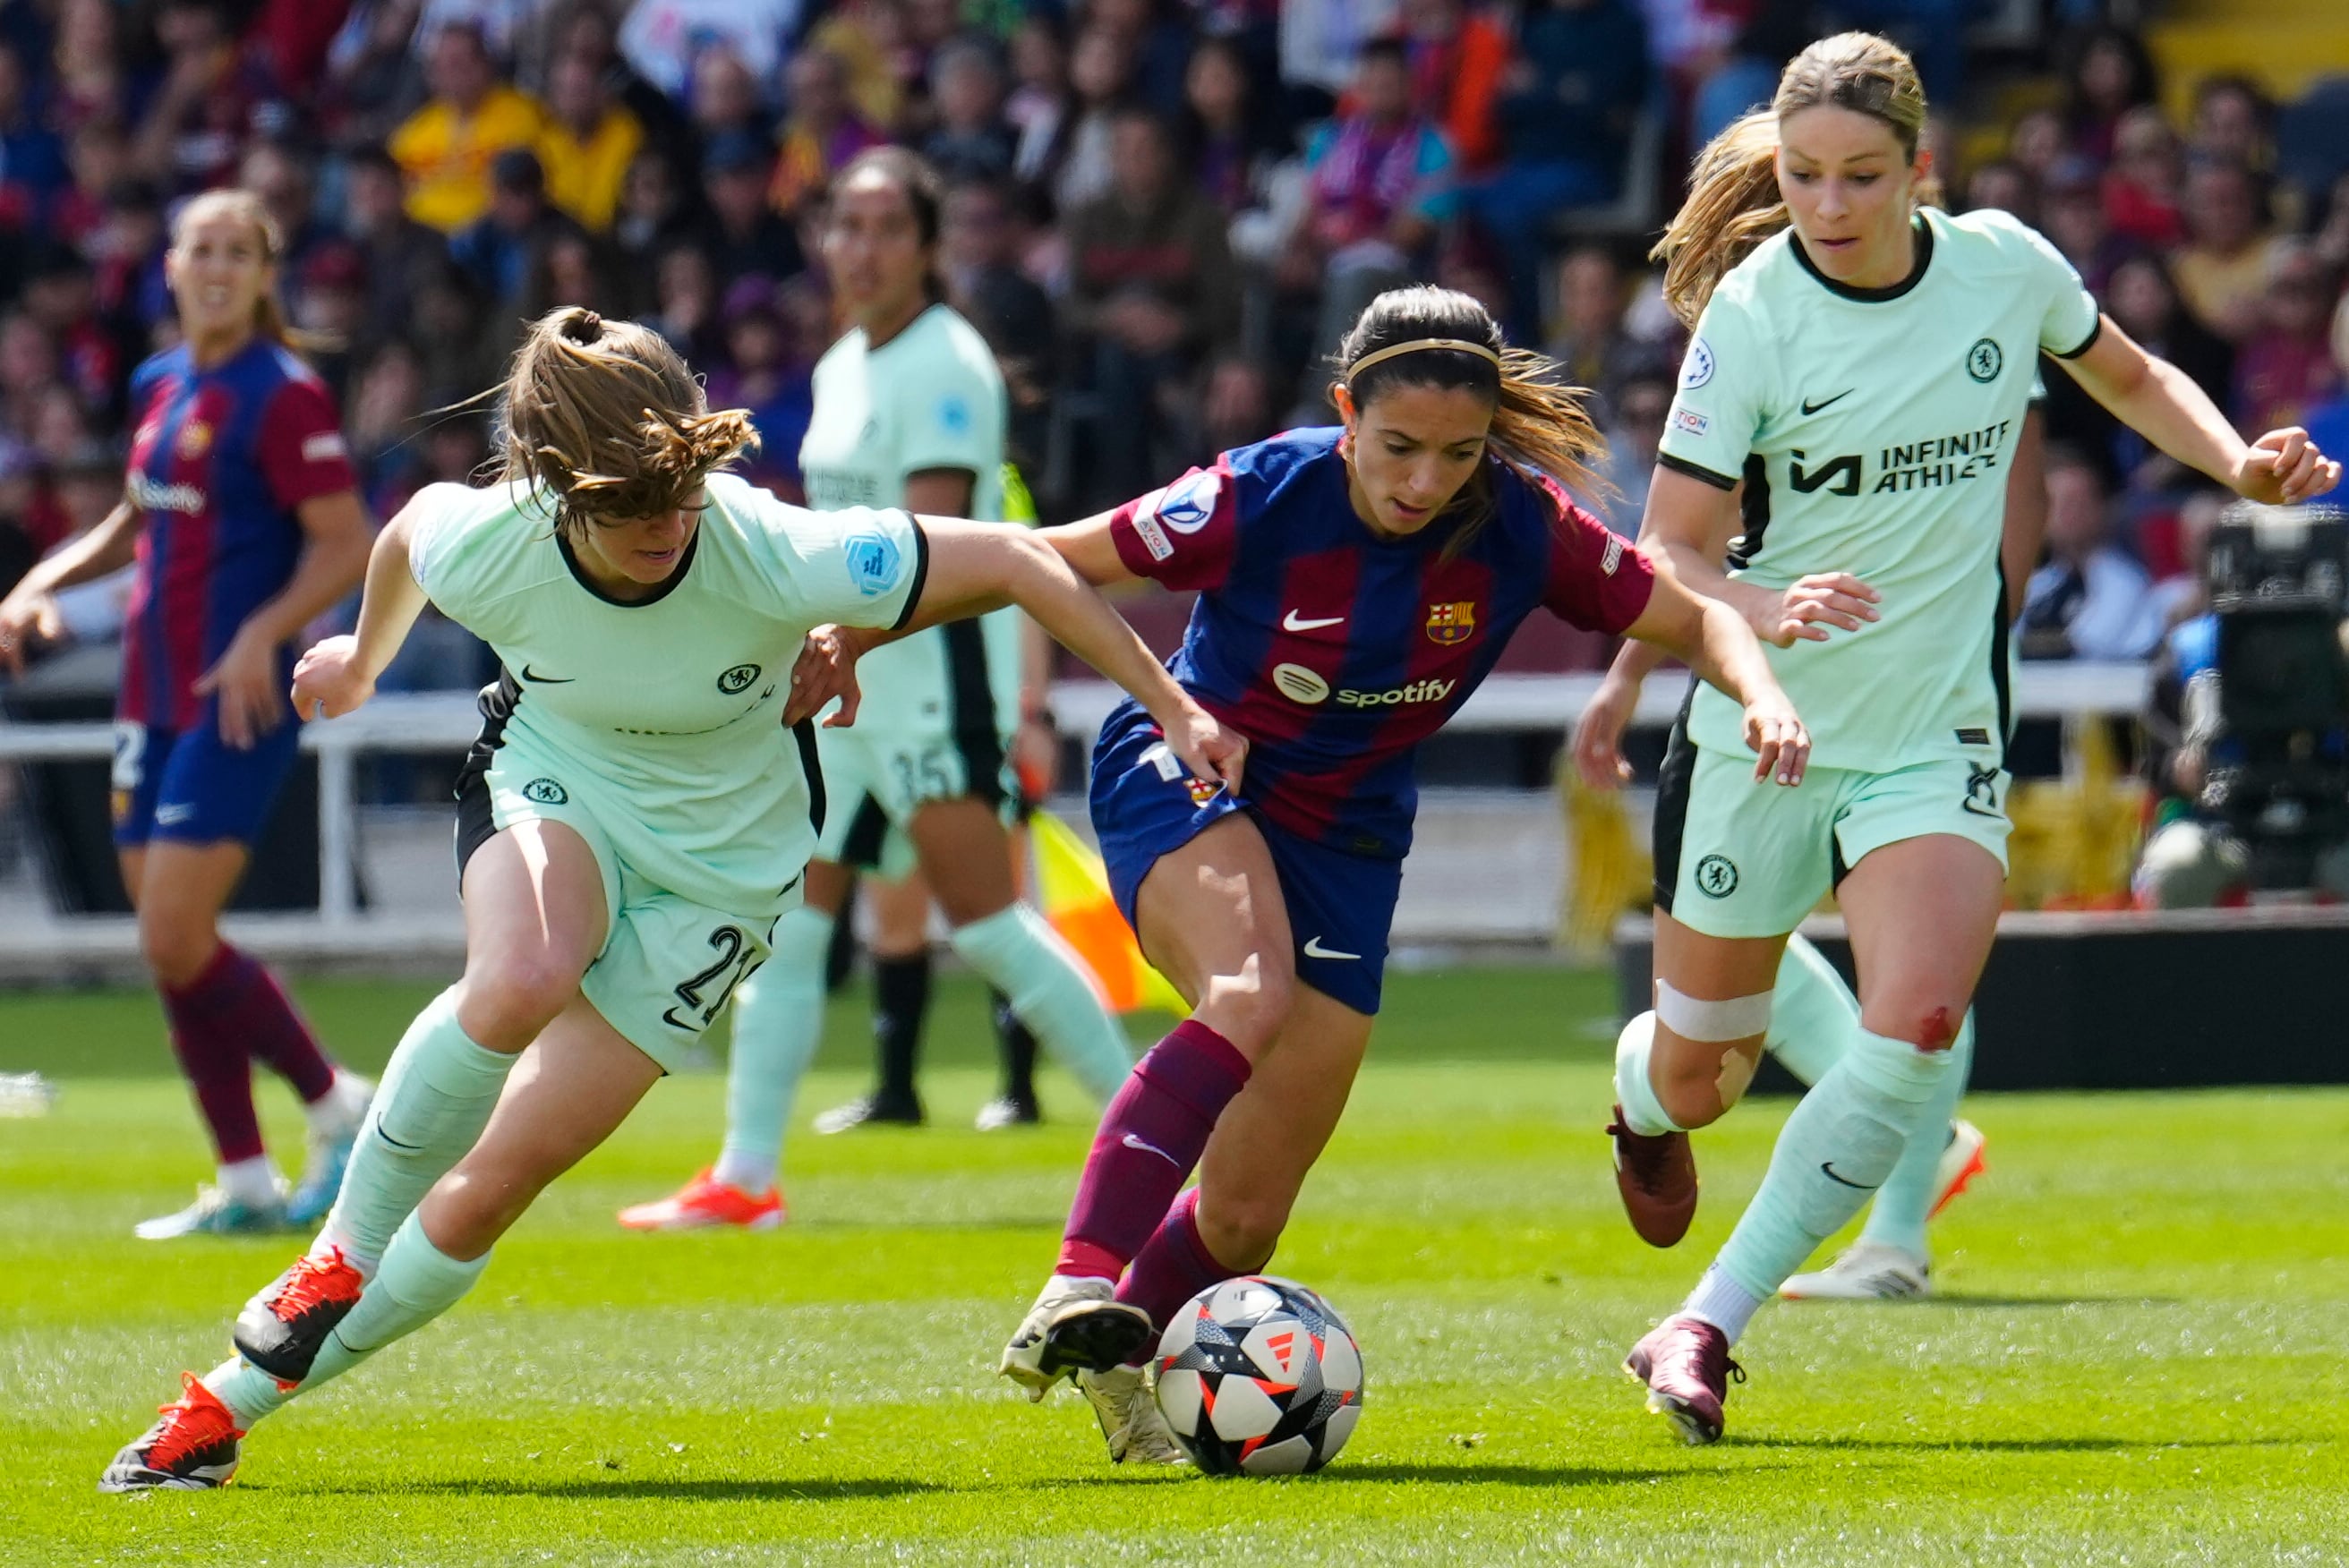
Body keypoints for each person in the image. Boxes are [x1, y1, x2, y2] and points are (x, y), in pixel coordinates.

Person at [95, 303, 1244, 1492]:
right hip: (557, 782)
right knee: (526, 971)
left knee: (491, 1188)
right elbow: (404, 538)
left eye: (679, 491)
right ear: (551, 483)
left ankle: (216, 1411)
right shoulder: (489, 537)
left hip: (725, 874)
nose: (665, 525)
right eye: (626, 503)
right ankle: (332, 1256)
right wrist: (363, 661)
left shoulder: (773, 546)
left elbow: (1013, 557)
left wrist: (1172, 705)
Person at [1601, 33, 2337, 1446]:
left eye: (1861, 177)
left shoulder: (2004, 264)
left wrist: (2238, 456)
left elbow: (2128, 378)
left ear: (1919, 169)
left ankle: (1705, 1323)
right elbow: (1670, 554)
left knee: (1919, 1025)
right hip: (1768, 730)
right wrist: (1767, 600)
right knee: (1704, 1074)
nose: (1828, 204)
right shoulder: (1752, 314)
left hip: (1933, 734)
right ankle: (1641, 1103)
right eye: (1806, 176)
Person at [957, 282, 1808, 1466]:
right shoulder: (1263, 492)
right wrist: (848, 627)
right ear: (1347, 410)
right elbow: (1023, 558)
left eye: (1455, 455)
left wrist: (1762, 691)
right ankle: (1074, 1281)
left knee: (1248, 1216)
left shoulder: (1517, 523)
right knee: (1246, 994)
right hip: (1195, 773)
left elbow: (1696, 619)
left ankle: (1115, 1350)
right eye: (1398, 447)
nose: (1422, 483)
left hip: (1350, 836)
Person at [618, 148, 1141, 1235]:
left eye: (883, 228)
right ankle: (745, 1174)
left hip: (928, 687)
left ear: (926, 245)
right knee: (790, 929)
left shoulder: (944, 362)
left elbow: (926, 546)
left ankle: (1152, 1155)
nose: (857, 248)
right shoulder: (849, 355)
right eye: (843, 226)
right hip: (845, 679)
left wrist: (843, 641)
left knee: (990, 928)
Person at [0, 191, 376, 1238]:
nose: (214, 267)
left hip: (233, 696)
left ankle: (338, 1101)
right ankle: (246, 1181)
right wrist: (43, 580)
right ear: (169, 266)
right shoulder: (160, 382)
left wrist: (266, 631)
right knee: (171, 942)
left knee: (171, 929)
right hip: (148, 693)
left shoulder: (284, 393)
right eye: (198, 248)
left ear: (264, 275)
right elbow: (134, 518)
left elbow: (347, 541)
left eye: (236, 252)